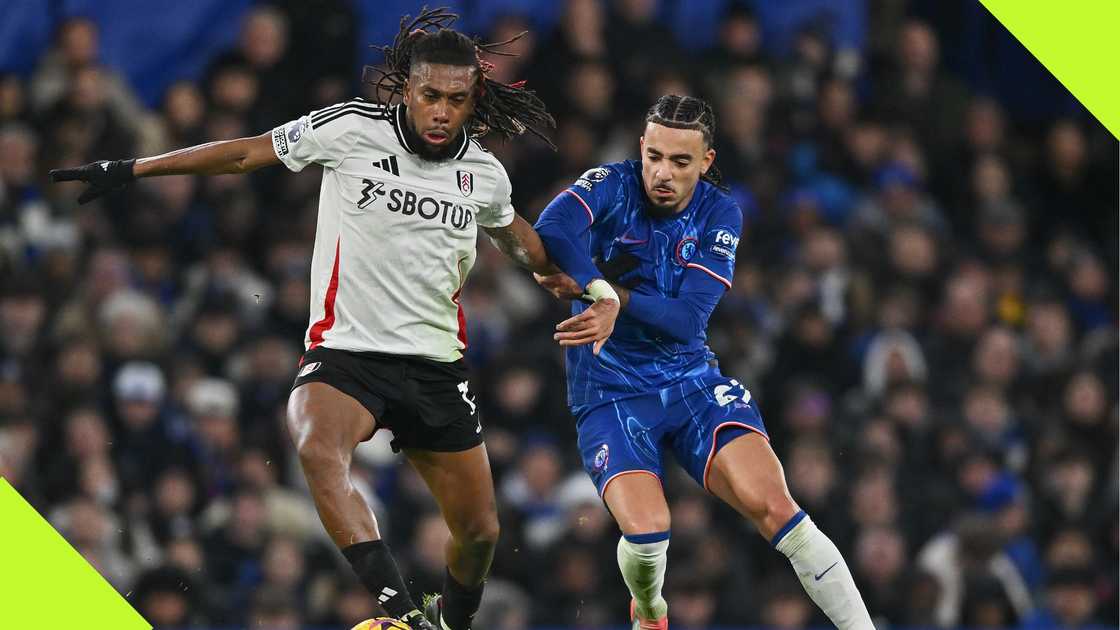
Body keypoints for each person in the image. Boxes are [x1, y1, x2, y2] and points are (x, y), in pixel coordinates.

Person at [49, 9, 571, 630]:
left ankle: (449, 622)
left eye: (455, 100)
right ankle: (397, 614)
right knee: (316, 446)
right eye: (429, 94)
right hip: (347, 352)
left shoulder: (484, 175)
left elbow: (516, 236)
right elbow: (245, 154)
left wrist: (561, 272)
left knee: (481, 533)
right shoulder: (352, 128)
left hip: (435, 368)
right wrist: (133, 168)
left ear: (472, 99)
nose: (440, 110)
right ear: (406, 86)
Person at [532, 94, 874, 629]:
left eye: (681, 162)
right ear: (641, 149)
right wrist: (599, 290)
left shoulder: (720, 212)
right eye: (655, 156)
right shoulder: (610, 184)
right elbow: (552, 229)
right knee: (648, 535)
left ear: (706, 162)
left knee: (776, 507)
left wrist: (612, 300)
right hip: (611, 393)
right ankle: (649, 611)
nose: (662, 173)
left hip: (691, 381)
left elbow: (688, 319)